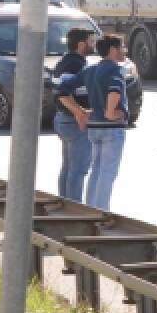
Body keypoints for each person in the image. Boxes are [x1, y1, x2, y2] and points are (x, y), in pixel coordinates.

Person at [84, 35, 129, 210]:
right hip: (111, 128)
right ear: (112, 50)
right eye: (122, 47)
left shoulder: (92, 69)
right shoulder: (115, 70)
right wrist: (111, 112)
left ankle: (89, 208)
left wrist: (80, 112)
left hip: (94, 126)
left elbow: (64, 86)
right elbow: (114, 89)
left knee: (95, 170)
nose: (125, 50)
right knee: (108, 172)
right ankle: (102, 211)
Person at [52, 27, 96, 201]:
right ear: (81, 44)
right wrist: (80, 113)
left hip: (64, 120)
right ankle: (74, 208)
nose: (94, 45)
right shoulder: (75, 65)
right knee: (78, 170)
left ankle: (65, 203)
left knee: (68, 167)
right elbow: (62, 93)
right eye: (91, 41)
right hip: (74, 122)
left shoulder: (64, 62)